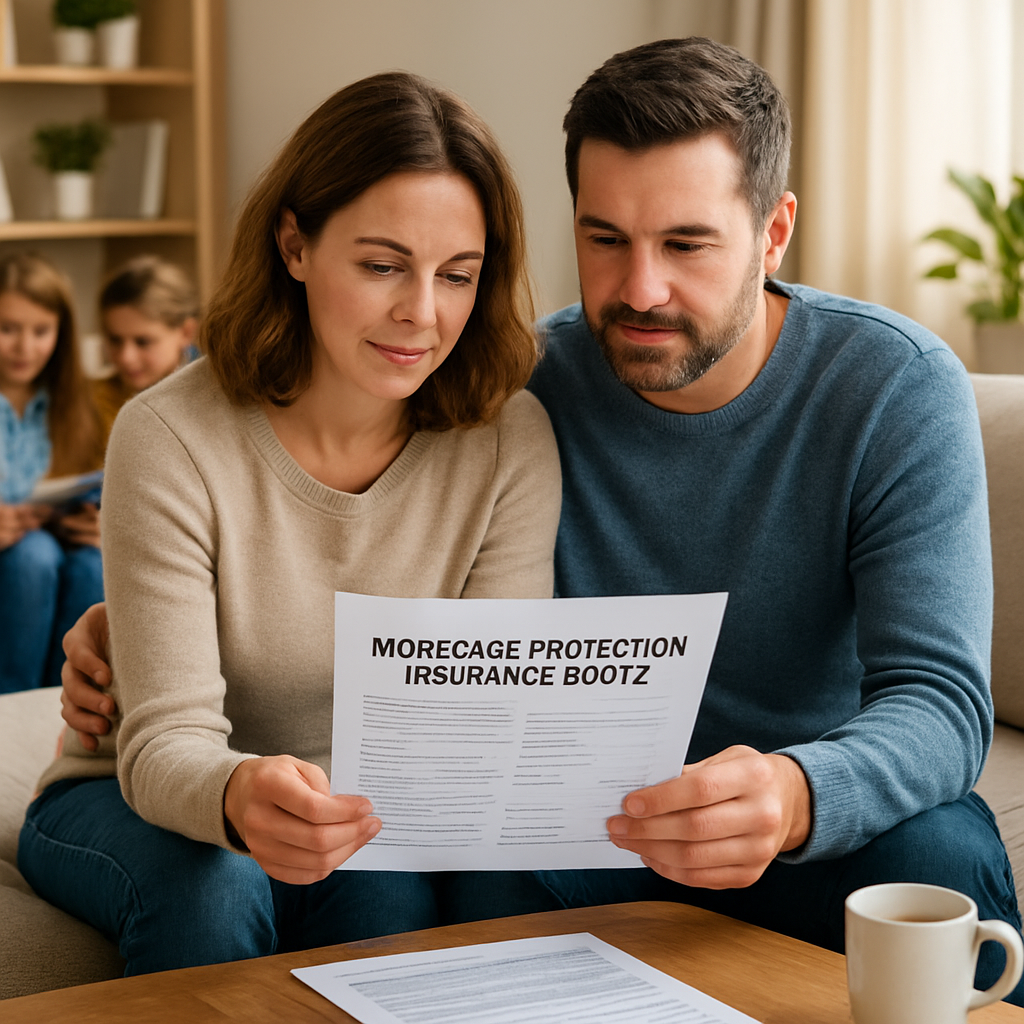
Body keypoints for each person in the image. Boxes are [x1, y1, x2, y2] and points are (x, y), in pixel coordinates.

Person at [56, 39, 1024, 1005]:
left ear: (773, 233)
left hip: (805, 807)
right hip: (597, 825)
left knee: (940, 852)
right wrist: (129, 626)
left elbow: (941, 701)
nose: (640, 288)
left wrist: (796, 794)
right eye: (605, 239)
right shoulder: (518, 381)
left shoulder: (895, 388)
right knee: (443, 880)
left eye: (685, 243)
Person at [18, 70, 561, 976]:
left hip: (359, 809)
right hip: (131, 796)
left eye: (456, 275)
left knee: (391, 897)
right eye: (382, 264)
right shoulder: (169, 435)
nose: (421, 314)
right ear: (295, 244)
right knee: (215, 885)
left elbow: (486, 716)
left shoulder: (509, 440)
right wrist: (238, 792)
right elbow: (161, 748)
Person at [0, 253, 105, 693]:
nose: (25, 348)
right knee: (33, 556)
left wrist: (103, 524)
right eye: (7, 329)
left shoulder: (76, 405)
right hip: (21, 559)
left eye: (40, 331)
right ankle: (16, 701)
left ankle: (70, 705)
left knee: (92, 564)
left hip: (64, 546)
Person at [92, 255, 199, 439]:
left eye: (143, 342)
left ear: (185, 332)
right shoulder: (95, 402)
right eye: (115, 340)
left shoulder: (214, 398)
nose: (126, 357)